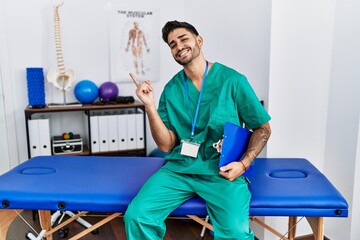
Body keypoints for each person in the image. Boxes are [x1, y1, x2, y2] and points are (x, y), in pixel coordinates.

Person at [124, 20, 271, 240]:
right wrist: (149, 106)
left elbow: (263, 128)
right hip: (180, 169)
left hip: (221, 171)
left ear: (199, 40)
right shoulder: (172, 89)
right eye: (172, 44)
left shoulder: (233, 81)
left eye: (183, 39)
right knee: (137, 216)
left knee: (237, 233)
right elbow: (165, 144)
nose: (179, 46)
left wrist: (244, 163)